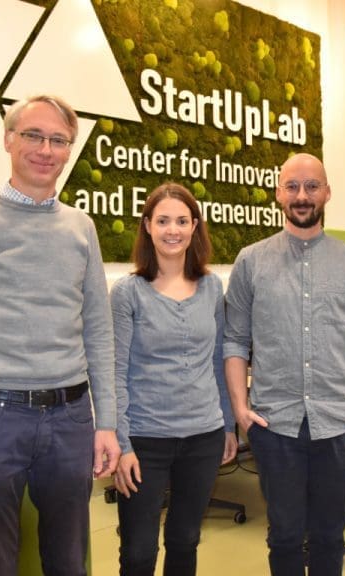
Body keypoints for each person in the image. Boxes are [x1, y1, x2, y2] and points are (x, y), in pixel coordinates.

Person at [0, 95, 120, 575]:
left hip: (71, 419)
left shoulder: (81, 226)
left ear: (69, 149)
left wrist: (106, 421)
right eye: (33, 135)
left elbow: (98, 330)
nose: (45, 149)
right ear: (8, 139)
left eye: (58, 140)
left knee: (69, 561)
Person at [223, 153, 345, 576]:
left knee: (331, 536)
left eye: (312, 186)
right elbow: (235, 341)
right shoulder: (251, 261)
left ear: (327, 192)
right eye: (292, 186)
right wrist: (240, 409)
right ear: (278, 193)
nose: (302, 195)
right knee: (285, 536)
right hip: (274, 426)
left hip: (341, 424)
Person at [110, 183, 238, 575]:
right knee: (138, 550)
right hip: (144, 441)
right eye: (163, 220)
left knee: (185, 541)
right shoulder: (127, 293)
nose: (173, 230)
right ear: (147, 226)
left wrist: (228, 424)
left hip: (203, 435)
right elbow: (114, 371)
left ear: (195, 226)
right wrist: (120, 443)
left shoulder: (212, 287)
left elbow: (218, 358)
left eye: (183, 221)